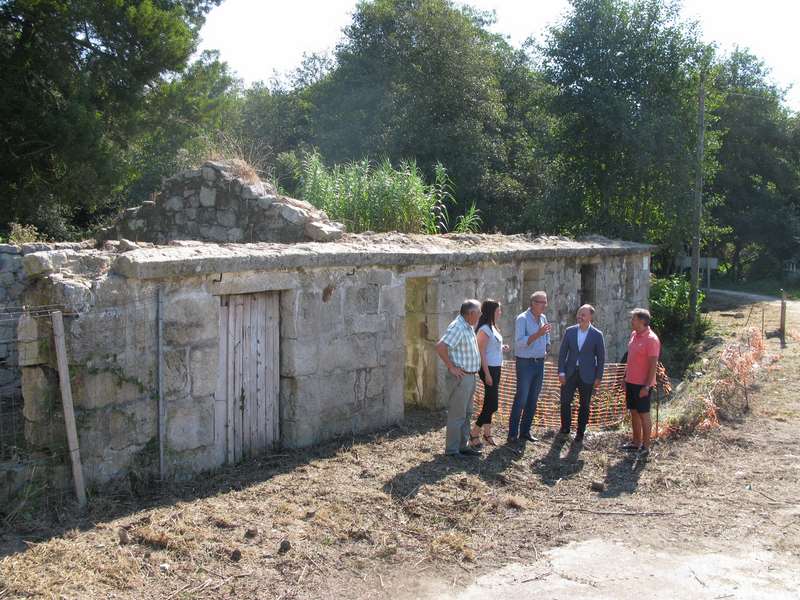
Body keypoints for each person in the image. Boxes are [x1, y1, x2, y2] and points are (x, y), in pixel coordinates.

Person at [435, 299, 483, 457]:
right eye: (479, 312)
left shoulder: (467, 325)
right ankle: (452, 450)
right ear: (470, 314)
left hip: (469, 376)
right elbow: (440, 346)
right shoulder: (458, 327)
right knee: (458, 414)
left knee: (467, 412)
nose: (481, 315)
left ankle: (463, 446)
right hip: (462, 378)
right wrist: (451, 367)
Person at [557, 304, 606, 444]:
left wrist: (598, 377)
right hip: (570, 372)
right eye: (579, 314)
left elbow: (601, 358)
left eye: (583, 314)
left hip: (588, 375)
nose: (580, 317)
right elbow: (562, 354)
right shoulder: (570, 331)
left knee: (584, 404)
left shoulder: (597, 335)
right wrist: (561, 371)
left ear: (590, 316)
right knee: (565, 401)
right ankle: (565, 428)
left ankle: (580, 432)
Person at [508, 291, 551, 444]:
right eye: (542, 302)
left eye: (546, 302)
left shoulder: (543, 318)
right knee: (521, 398)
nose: (545, 305)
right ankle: (512, 433)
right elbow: (519, 342)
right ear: (533, 303)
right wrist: (538, 334)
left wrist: (547, 347)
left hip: (539, 363)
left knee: (533, 398)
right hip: (525, 363)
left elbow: (547, 337)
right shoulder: (522, 319)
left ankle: (525, 432)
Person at [469, 300, 510, 448]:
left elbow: (491, 348)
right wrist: (487, 374)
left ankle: (487, 434)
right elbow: (481, 353)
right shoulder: (485, 329)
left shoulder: (493, 327)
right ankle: (474, 432)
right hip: (489, 369)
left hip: (495, 367)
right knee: (493, 404)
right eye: (498, 310)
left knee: (489, 402)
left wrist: (501, 347)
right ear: (491, 311)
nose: (500, 312)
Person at [623, 308, 661, 455]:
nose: (631, 321)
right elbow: (630, 358)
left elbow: (653, 365)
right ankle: (636, 442)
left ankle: (646, 447)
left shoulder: (652, 339)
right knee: (633, 411)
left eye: (634, 319)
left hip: (642, 385)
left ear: (642, 321)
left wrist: (646, 385)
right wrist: (625, 377)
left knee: (643, 413)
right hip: (631, 382)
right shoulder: (634, 335)